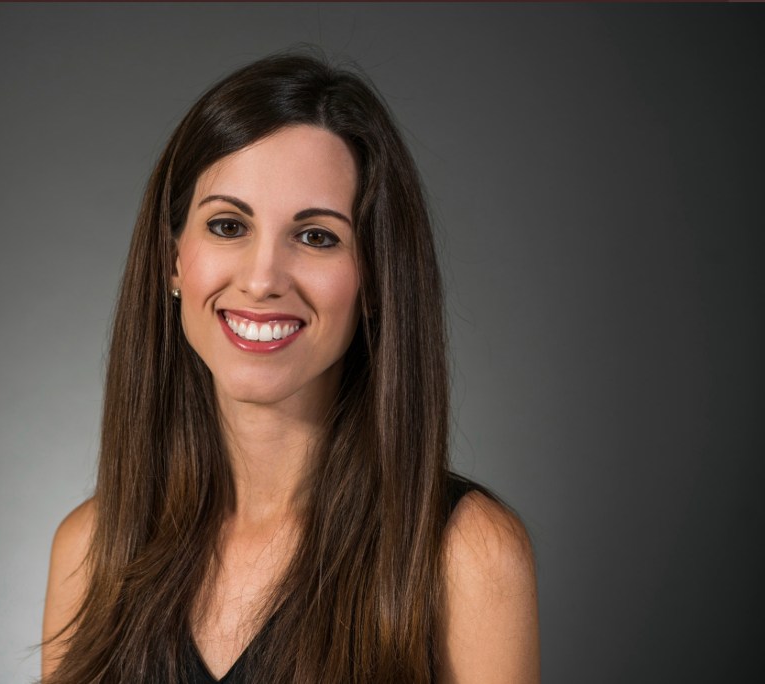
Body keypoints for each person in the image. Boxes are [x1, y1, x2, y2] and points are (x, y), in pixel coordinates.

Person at [41, 52, 539, 683]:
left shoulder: (466, 554)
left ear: (377, 281)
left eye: (316, 237)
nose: (261, 278)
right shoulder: (90, 549)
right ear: (173, 262)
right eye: (228, 225)